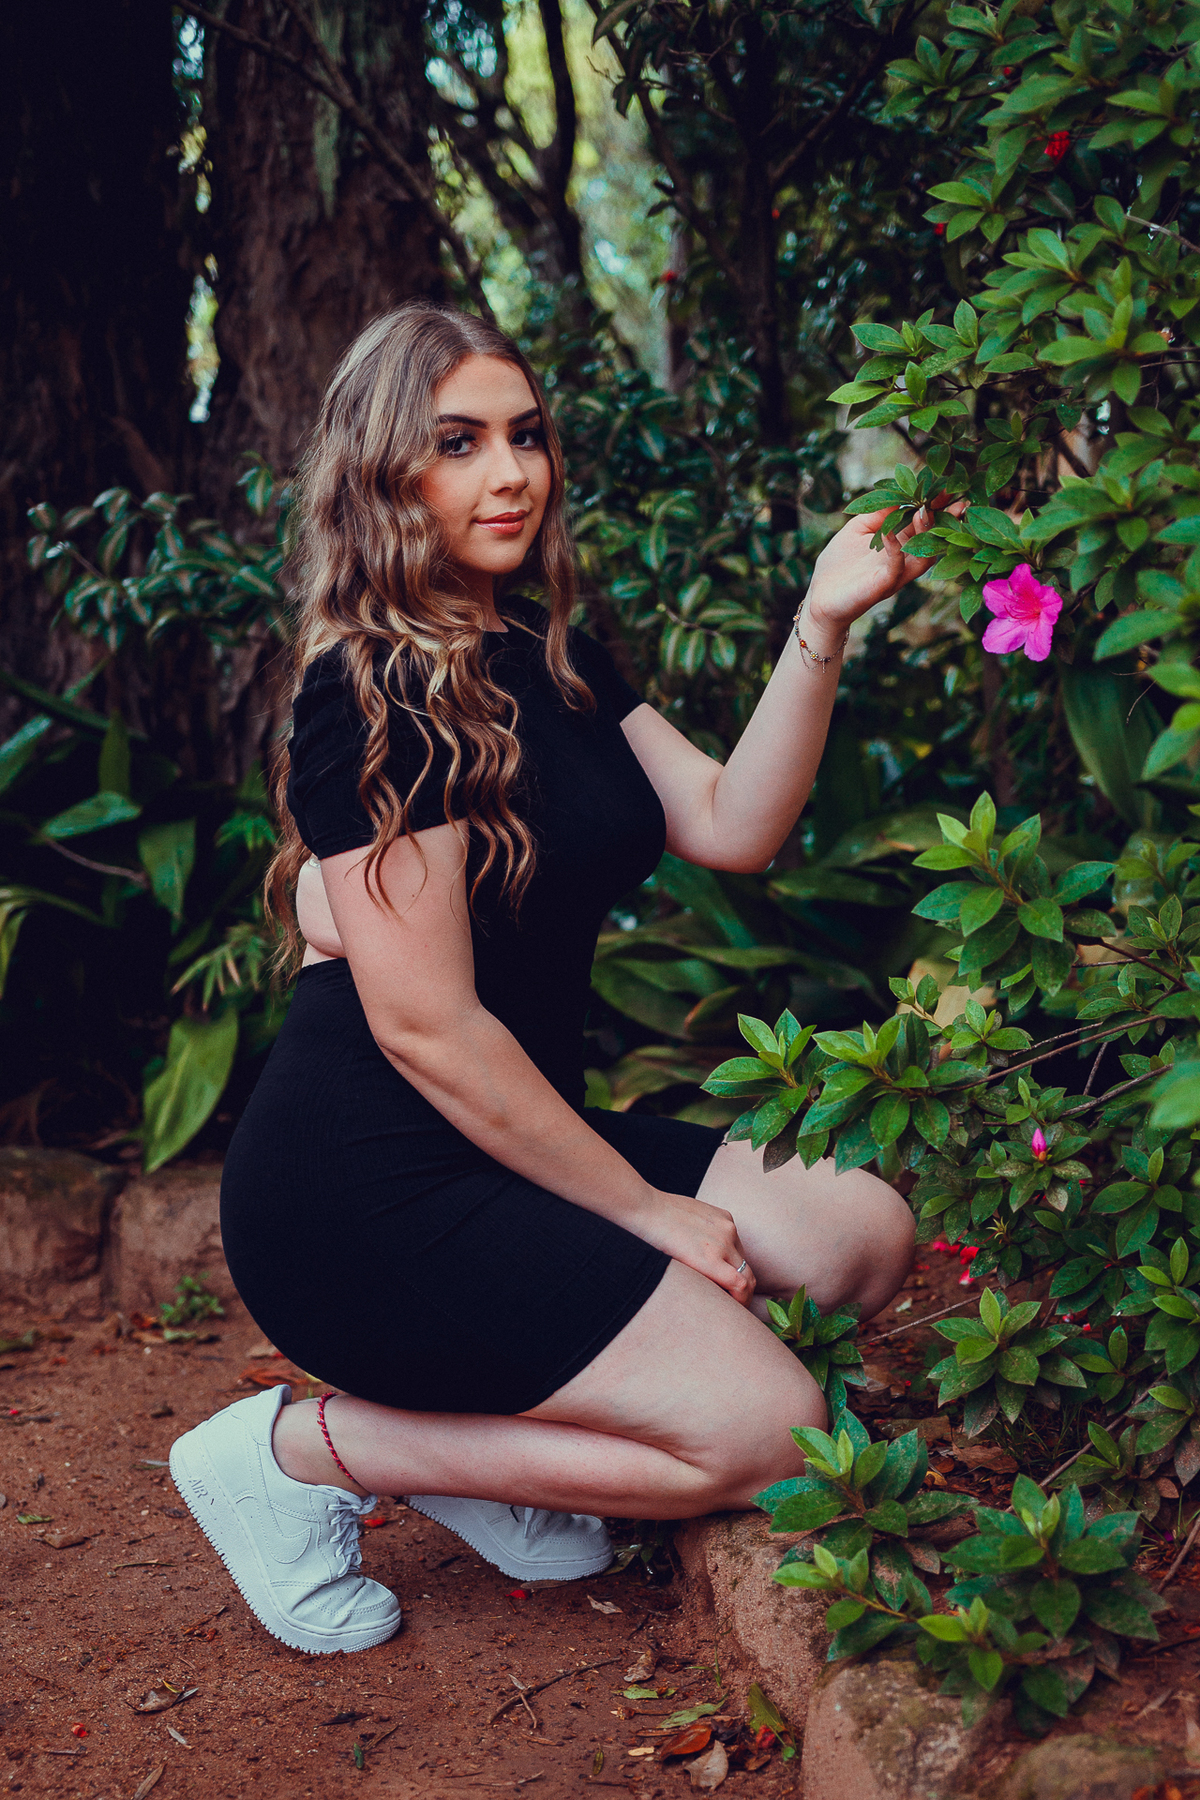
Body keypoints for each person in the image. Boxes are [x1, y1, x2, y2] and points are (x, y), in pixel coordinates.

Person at [171, 301, 952, 1656]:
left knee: (857, 1235)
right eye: (458, 443)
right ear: (384, 475)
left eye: (525, 436)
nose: (510, 474)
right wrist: (647, 1215)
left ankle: (489, 1446)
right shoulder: (373, 693)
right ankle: (299, 1454)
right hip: (361, 1195)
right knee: (777, 1437)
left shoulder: (549, 649)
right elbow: (426, 1030)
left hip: (513, 1140)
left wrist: (823, 617)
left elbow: (733, 825)